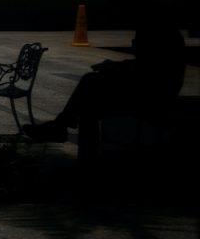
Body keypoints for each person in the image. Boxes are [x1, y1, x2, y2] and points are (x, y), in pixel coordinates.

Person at [22, 18, 185, 161]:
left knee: (90, 90)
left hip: (152, 95)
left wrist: (115, 68)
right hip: (155, 91)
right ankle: (64, 128)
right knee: (89, 94)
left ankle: (64, 129)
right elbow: (148, 67)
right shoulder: (159, 29)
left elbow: (148, 69)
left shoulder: (154, 29)